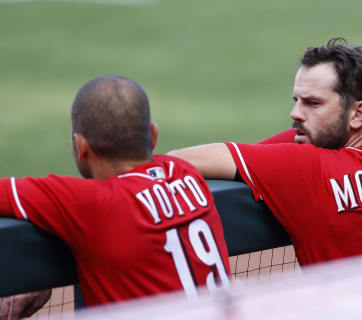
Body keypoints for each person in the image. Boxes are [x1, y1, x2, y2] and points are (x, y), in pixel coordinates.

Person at [169, 38, 362, 266]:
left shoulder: (310, 169)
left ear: (358, 114)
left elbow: (183, 159)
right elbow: (282, 145)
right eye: (296, 101)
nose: (295, 113)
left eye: (313, 103)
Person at [0, 75, 231, 308]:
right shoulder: (186, 173)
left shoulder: (90, 203)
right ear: (153, 136)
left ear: (80, 147)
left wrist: (41, 268)